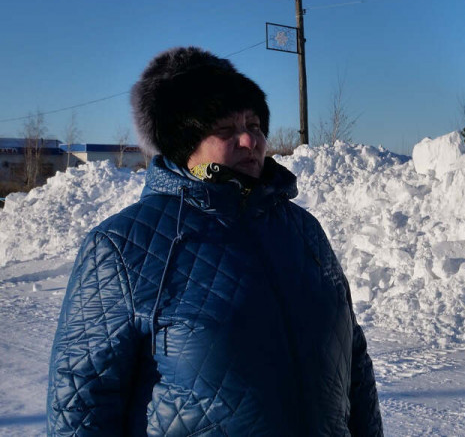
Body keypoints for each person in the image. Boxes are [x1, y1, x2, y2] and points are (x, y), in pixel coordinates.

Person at [46, 47, 383, 436]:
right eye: (225, 130)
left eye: (255, 125)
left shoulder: (303, 230)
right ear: (182, 144)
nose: (248, 140)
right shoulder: (122, 247)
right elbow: (80, 403)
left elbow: (354, 362)